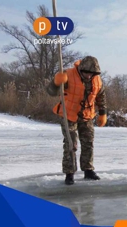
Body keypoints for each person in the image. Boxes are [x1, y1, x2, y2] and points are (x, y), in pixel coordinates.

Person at [47, 56, 107, 185]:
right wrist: (56, 83)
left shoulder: (97, 80)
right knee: (71, 144)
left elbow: (101, 96)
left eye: (92, 73)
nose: (88, 76)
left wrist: (102, 113)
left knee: (88, 143)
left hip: (87, 116)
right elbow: (51, 92)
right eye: (86, 73)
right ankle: (69, 173)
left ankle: (88, 169)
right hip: (68, 115)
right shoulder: (67, 75)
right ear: (81, 69)